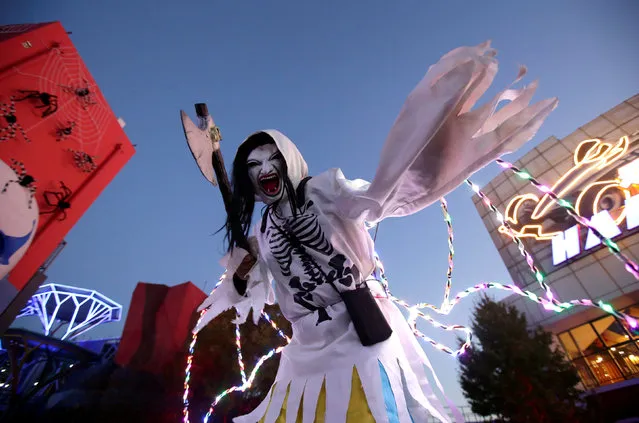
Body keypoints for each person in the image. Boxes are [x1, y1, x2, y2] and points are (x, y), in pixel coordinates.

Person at [189, 41, 558, 423]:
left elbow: (373, 200)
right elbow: (251, 288)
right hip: (304, 349)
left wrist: (415, 155)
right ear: (247, 177)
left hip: (357, 332)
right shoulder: (262, 232)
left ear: (289, 160)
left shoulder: (324, 190)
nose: (264, 168)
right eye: (253, 164)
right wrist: (242, 272)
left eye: (272, 158)